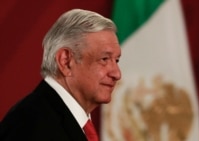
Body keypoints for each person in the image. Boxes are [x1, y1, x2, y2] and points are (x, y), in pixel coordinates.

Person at [0, 8, 121, 141]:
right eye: (104, 59)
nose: (117, 74)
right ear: (66, 61)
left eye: (116, 60)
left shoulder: (56, 118)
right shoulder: (32, 125)